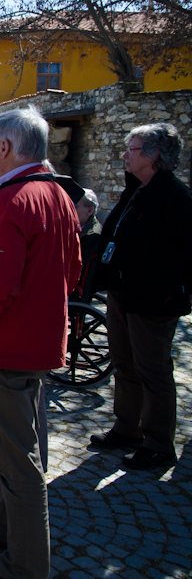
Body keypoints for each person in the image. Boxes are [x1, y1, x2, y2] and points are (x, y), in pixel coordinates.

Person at [0, 107, 81, 579]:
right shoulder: (58, 196)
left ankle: (25, 568)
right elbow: (73, 272)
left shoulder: (15, 200)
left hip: (2, 350)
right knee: (16, 452)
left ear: (4, 148)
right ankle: (1, 524)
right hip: (28, 346)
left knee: (20, 467)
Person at [88, 123, 191, 471]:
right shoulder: (136, 189)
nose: (124, 155)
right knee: (124, 364)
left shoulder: (175, 197)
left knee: (154, 371)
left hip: (153, 301)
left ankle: (159, 444)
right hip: (123, 293)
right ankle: (127, 427)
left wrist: (172, 293)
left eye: (131, 149)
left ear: (154, 155)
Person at [75, 187, 102, 272]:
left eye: (75, 206)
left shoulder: (94, 237)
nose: (69, 210)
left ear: (90, 210)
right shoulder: (74, 228)